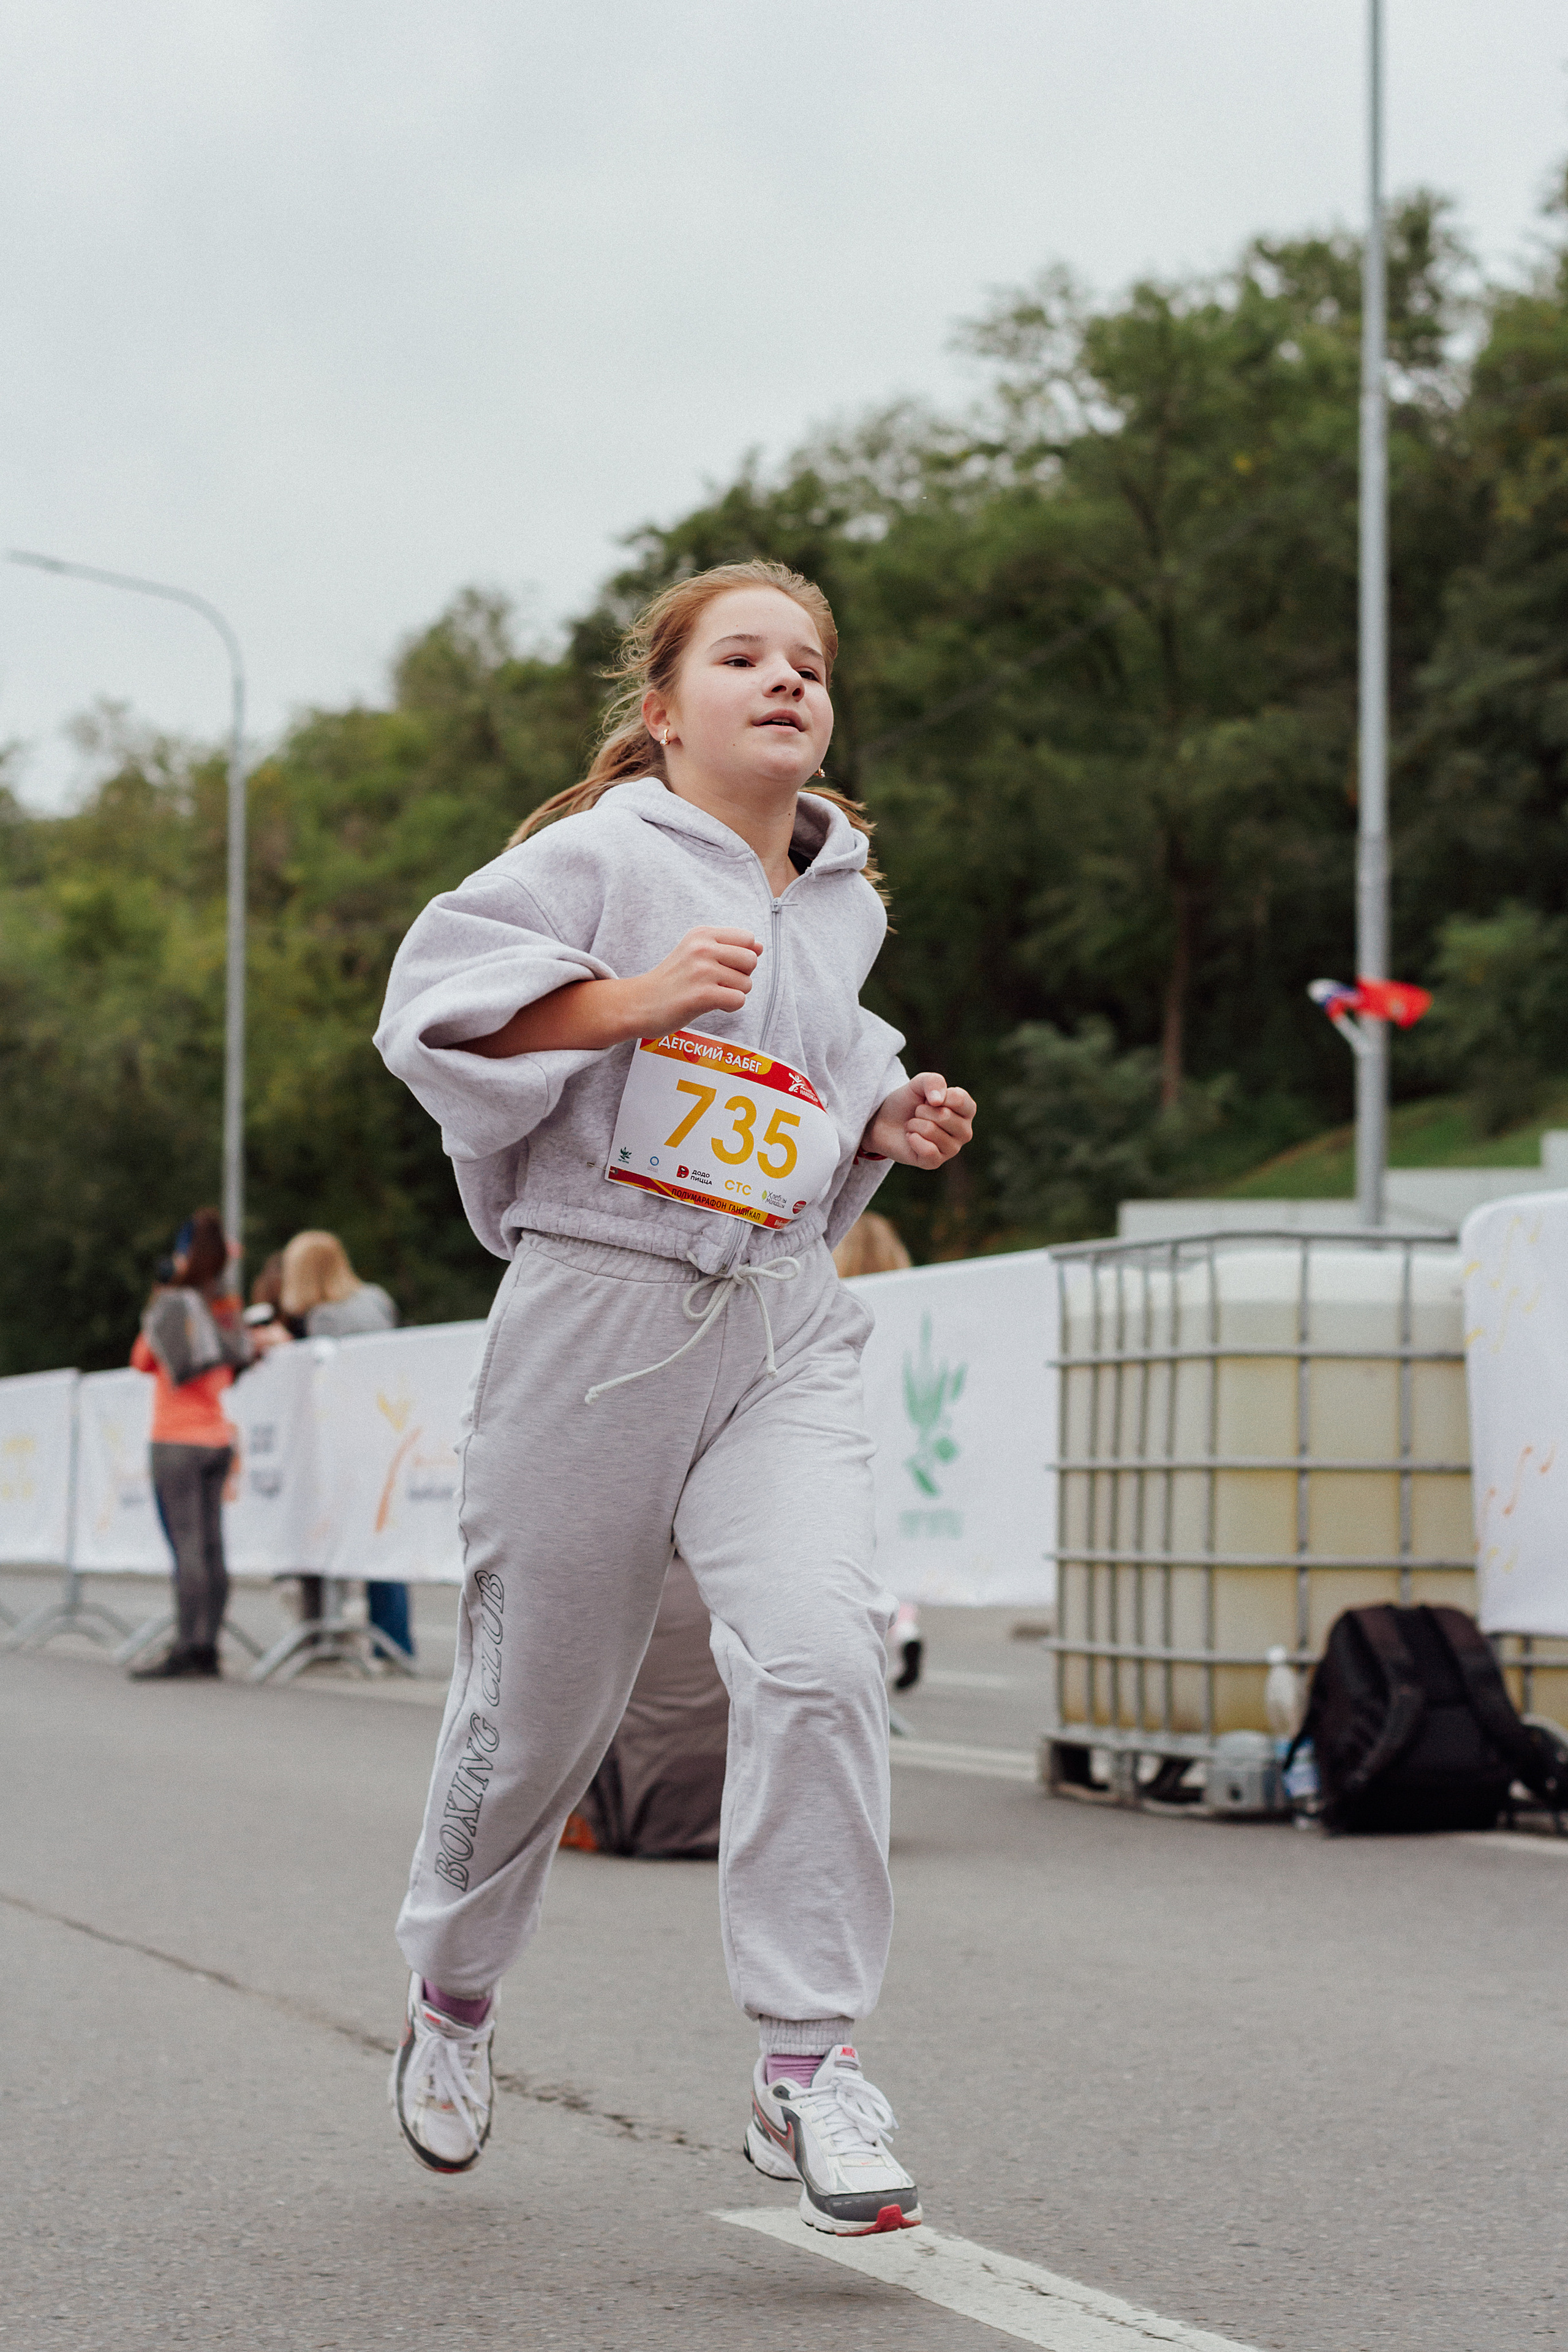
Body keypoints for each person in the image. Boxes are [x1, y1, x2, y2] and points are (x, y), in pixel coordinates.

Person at [374, 557, 976, 2236]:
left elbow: (810, 1076)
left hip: (778, 1319)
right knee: (536, 1718)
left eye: (810, 664)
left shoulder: (842, 900)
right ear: (661, 709)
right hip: (599, 1314)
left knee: (820, 1654)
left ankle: (805, 2060)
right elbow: (430, 1022)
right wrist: (634, 999)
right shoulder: (595, 855)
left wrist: (881, 1122)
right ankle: (453, 1991)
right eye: (743, 658)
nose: (787, 681)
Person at [129, 1208, 266, 1679]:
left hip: (176, 1438)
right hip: (217, 1436)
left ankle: (188, 1646)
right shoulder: (225, 1309)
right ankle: (208, 1646)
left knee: (187, 1548)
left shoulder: (173, 1305)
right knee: (212, 1546)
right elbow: (237, 1358)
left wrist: (162, 1289)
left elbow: (142, 1359)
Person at [278, 1230, 410, 1658]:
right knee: (383, 1540)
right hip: (387, 1429)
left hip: (346, 1439)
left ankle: (329, 1634)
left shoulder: (323, 1318)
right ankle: (394, 1643)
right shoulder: (377, 1300)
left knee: (337, 1535)